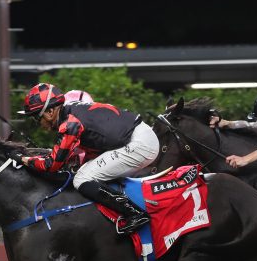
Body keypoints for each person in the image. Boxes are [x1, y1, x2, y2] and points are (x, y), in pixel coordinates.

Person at [17, 83, 159, 233]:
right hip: (136, 136)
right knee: (84, 172)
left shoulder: (70, 124)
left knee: (81, 179)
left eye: (36, 118)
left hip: (139, 144)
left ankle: (135, 213)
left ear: (50, 111)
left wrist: (23, 159)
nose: (38, 124)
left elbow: (52, 165)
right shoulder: (70, 111)